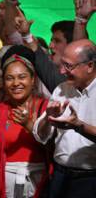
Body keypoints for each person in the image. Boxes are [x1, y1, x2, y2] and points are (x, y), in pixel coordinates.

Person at [0, 47, 49, 198]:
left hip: (40, 182)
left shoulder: (46, 107)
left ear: (32, 79)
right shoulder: (0, 109)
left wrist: (29, 124)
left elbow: (53, 146)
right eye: (9, 78)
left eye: (22, 77)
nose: (16, 83)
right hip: (4, 184)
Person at [33, 39, 96, 198]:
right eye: (62, 64)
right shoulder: (62, 89)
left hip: (91, 179)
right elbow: (41, 136)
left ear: (89, 66)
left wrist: (78, 125)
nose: (61, 71)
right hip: (60, 175)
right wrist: (48, 118)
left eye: (68, 66)